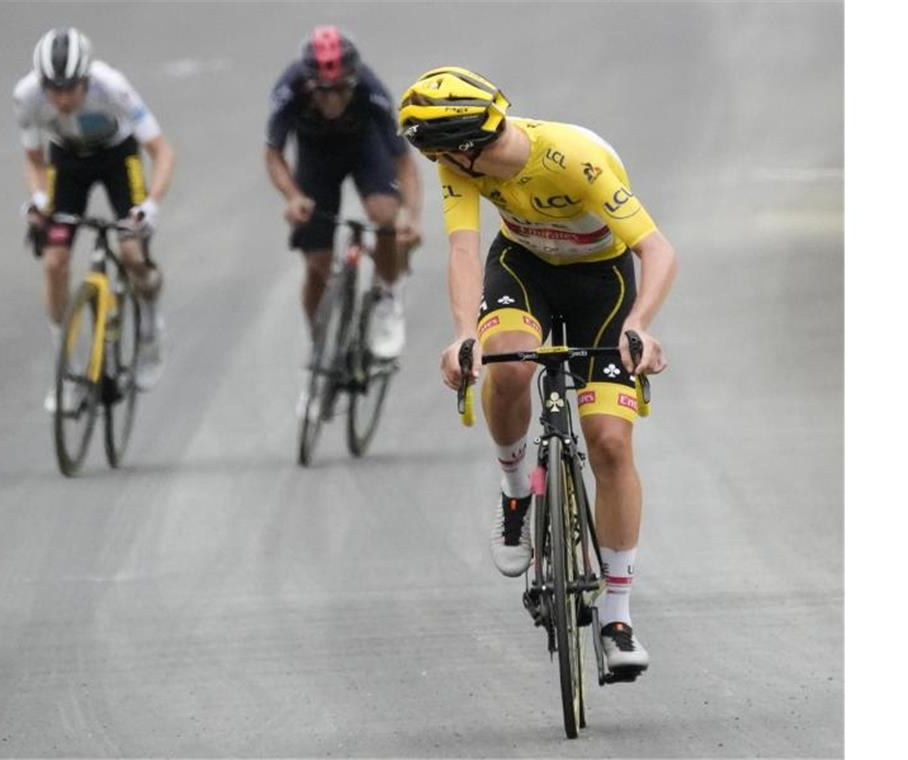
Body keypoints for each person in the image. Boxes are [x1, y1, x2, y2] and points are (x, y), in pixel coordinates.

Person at [398, 67, 678, 674]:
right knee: (508, 367)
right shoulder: (460, 165)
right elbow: (465, 250)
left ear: (469, 147)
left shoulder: (572, 157)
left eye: (441, 152)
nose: (436, 162)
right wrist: (463, 337)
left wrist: (639, 324)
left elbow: (656, 250)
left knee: (608, 443)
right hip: (522, 267)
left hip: (600, 283)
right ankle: (516, 489)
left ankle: (618, 615)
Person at [13, 27, 176, 411]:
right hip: (67, 161)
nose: (62, 98)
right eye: (54, 89)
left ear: (86, 78)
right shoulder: (26, 96)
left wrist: (150, 205)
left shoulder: (112, 87)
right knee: (54, 262)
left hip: (118, 156)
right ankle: (68, 371)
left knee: (133, 253)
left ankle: (151, 327)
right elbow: (35, 161)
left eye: (71, 88)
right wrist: (39, 200)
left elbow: (161, 150)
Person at [264, 25, 422, 409]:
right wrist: (293, 196)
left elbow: (403, 162)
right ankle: (320, 356)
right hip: (316, 161)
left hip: (364, 151)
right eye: (323, 91)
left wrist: (411, 217)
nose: (332, 100)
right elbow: (273, 154)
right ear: (309, 84)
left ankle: (387, 294)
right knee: (317, 263)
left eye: (341, 90)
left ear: (353, 82)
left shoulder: (371, 90)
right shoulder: (290, 89)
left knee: (383, 214)